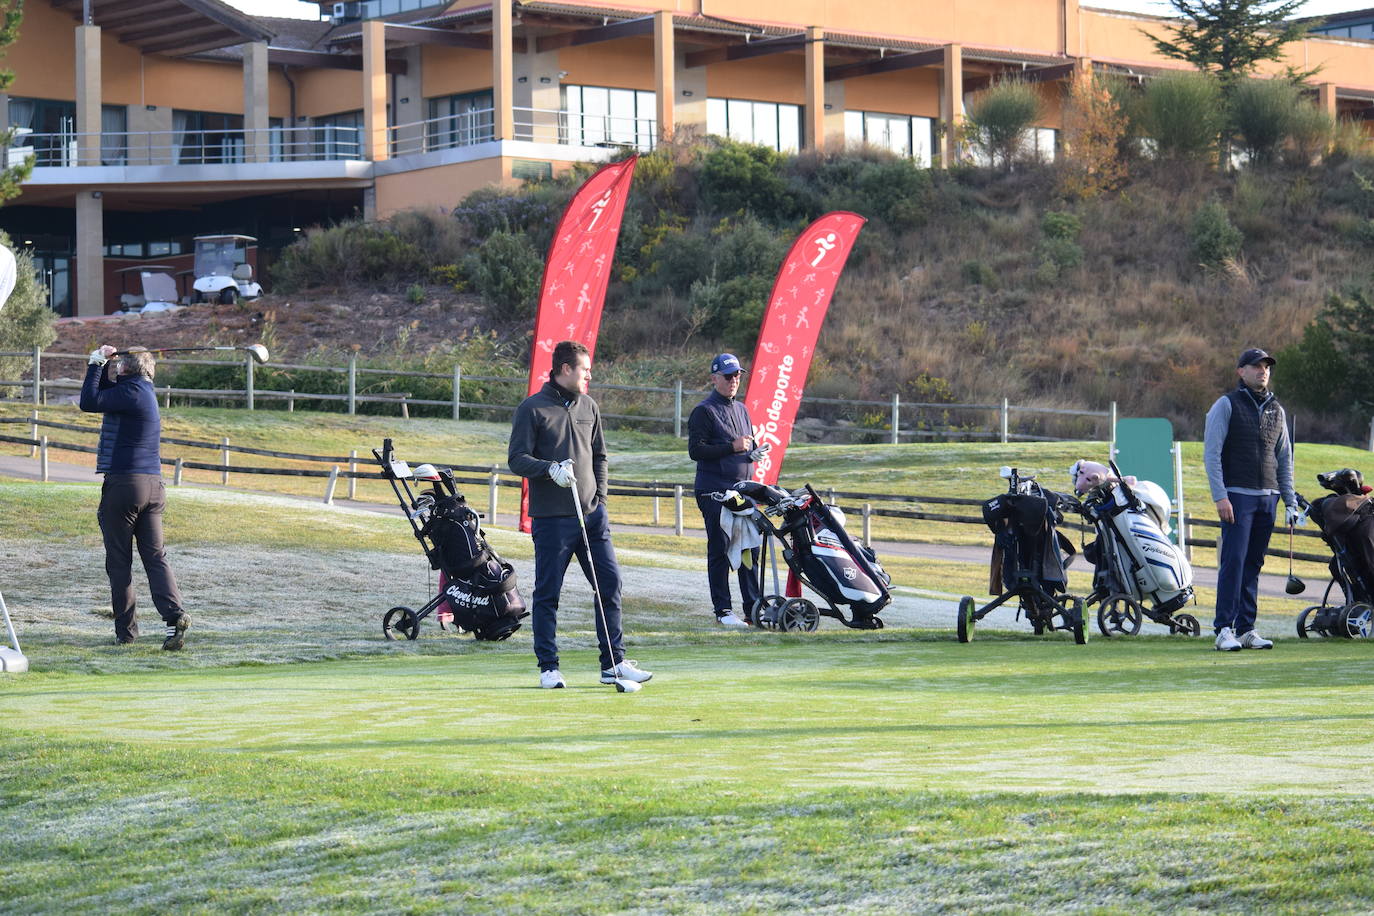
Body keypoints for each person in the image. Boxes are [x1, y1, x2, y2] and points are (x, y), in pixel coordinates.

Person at [508, 340, 652, 689]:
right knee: (548, 592)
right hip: (552, 518)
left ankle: (613, 664)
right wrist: (548, 469)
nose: (589, 374)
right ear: (565, 369)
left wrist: (600, 499)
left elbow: (600, 456)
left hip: (591, 516)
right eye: (584, 369)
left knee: (609, 584)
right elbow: (516, 458)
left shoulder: (589, 406)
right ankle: (549, 667)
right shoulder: (532, 408)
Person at [79, 345, 190, 650]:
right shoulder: (140, 392)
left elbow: (89, 401)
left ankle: (126, 634)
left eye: (118, 366)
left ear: (125, 369)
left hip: (126, 485)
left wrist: (96, 363)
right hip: (153, 486)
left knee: (119, 562)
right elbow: (103, 394)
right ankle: (175, 617)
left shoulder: (130, 394)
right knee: (155, 557)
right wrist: (102, 366)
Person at [1203, 347, 1299, 652]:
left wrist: (1290, 501)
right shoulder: (1226, 405)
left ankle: (1246, 628)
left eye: (1266, 366)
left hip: (1267, 498)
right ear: (1241, 371)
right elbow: (1212, 454)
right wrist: (1220, 496)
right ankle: (1224, 629)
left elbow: (1285, 459)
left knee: (1254, 564)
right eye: (1256, 366)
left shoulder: (1277, 410)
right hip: (1237, 497)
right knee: (1234, 562)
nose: (1263, 371)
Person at [688, 353, 770, 627]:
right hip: (714, 491)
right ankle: (723, 610)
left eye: (737, 375)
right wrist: (731, 447)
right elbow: (696, 451)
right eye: (728, 375)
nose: (734, 380)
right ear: (714, 379)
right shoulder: (705, 410)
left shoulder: (742, 409)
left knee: (749, 548)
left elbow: (745, 445)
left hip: (741, 490)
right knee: (721, 549)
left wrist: (753, 454)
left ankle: (753, 607)